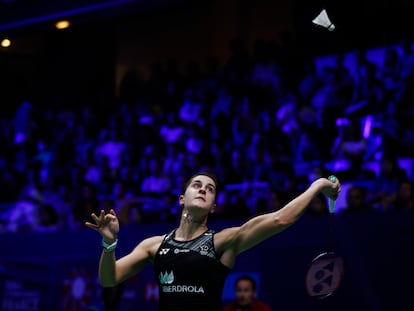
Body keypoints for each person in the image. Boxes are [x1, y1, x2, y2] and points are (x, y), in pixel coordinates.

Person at [85, 171, 340, 311]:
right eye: (196, 185)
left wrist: (317, 186)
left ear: (213, 207)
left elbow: (280, 220)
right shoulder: (153, 245)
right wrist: (109, 245)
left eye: (209, 189)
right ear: (181, 199)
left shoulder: (223, 241)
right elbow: (109, 279)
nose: (203, 189)